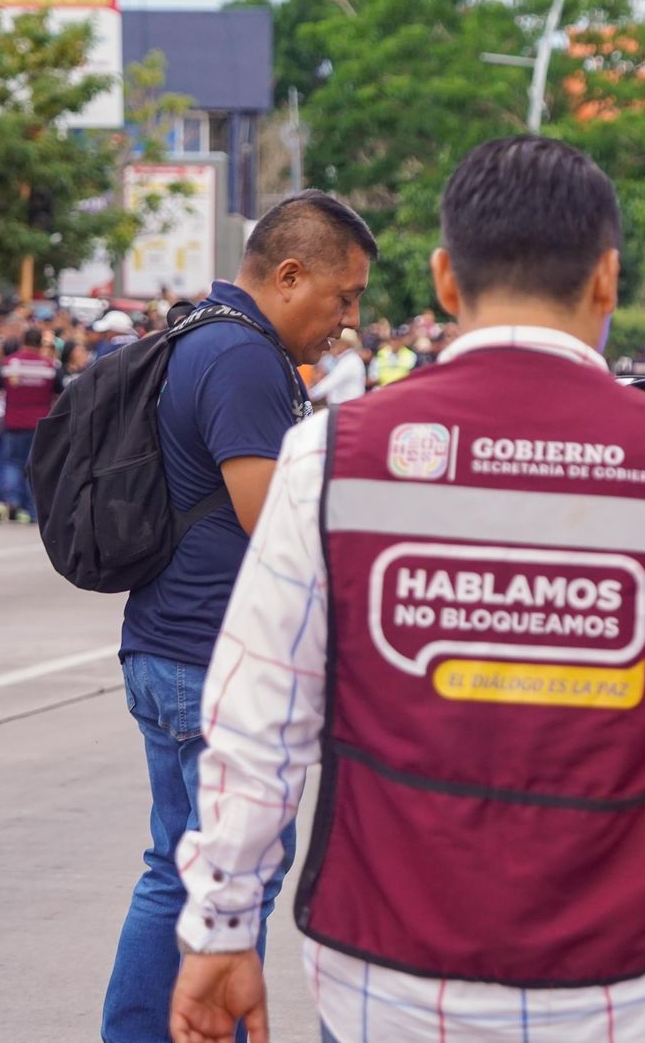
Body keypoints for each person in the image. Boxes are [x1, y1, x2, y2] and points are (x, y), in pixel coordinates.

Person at [166, 136, 645, 1043]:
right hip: (624, 985)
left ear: (445, 281)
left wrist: (221, 930)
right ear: (608, 280)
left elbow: (257, 722)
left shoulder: (333, 458)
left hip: (388, 982)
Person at [104, 189, 376, 1043]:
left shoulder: (201, 334)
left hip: (166, 644)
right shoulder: (245, 357)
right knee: (231, 876)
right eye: (345, 297)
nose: (347, 323)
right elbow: (272, 520)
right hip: (206, 658)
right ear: (290, 275)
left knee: (174, 869)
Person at [0, 326, 58, 524]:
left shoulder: (9, 364)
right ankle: (31, 510)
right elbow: (59, 397)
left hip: (13, 421)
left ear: (22, 340)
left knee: (13, 463)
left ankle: (12, 500)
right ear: (41, 343)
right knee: (34, 466)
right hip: (41, 424)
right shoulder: (49, 366)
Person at [306, 327, 366, 405]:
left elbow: (330, 382)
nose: (331, 346)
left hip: (347, 408)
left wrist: (309, 395)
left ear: (344, 344)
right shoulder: (348, 359)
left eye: (334, 343)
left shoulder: (350, 361)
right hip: (346, 407)